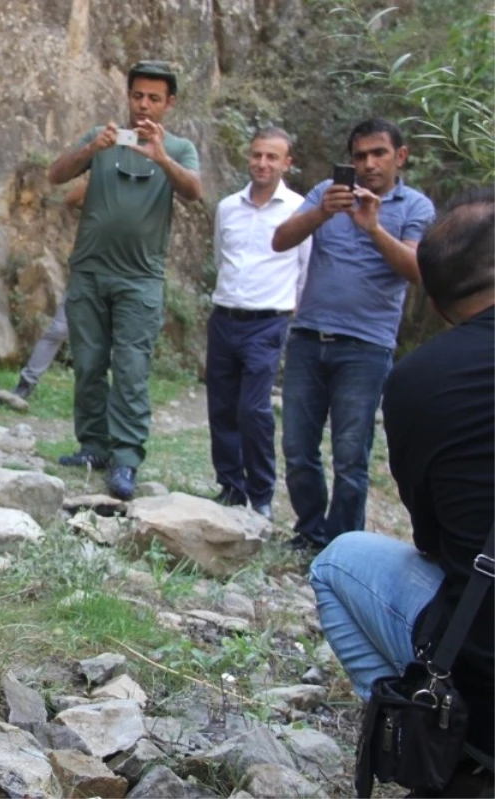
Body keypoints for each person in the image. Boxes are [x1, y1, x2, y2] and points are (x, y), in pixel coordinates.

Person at [310, 187, 495, 796]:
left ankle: (444, 745)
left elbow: (438, 544)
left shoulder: (421, 380)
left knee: (339, 561)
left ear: (434, 301)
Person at [272, 118, 434, 551]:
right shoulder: (326, 193)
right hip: (308, 337)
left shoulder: (415, 206)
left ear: (400, 157)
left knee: (350, 456)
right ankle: (308, 531)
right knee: (298, 447)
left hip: (366, 347)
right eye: (359, 156)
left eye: (378, 153)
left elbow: (418, 271)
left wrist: (374, 228)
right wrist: (322, 211)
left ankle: (341, 544)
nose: (368, 164)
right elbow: (280, 239)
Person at [47, 60, 202, 500]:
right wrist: (90, 150)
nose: (144, 105)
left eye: (154, 97)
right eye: (138, 96)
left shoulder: (179, 148)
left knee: (132, 369)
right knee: (90, 363)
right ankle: (93, 447)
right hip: (91, 271)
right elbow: (56, 175)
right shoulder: (104, 137)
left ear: (169, 103)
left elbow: (193, 191)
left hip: (141, 279)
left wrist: (162, 157)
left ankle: (127, 459)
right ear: (128, 96)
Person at [205, 128, 310, 522]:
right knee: (221, 407)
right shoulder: (228, 207)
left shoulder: (299, 210)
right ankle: (230, 486)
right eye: (256, 155)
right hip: (224, 316)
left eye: (272, 157)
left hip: (267, 323)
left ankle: (261, 494)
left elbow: (305, 271)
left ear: (287, 163)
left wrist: (288, 313)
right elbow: (221, 257)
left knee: (253, 409)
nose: (262, 163)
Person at [8, 180, 89, 402]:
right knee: (59, 329)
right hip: (90, 269)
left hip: (125, 273)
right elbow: (72, 199)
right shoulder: (103, 180)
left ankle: (111, 400)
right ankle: (25, 385)